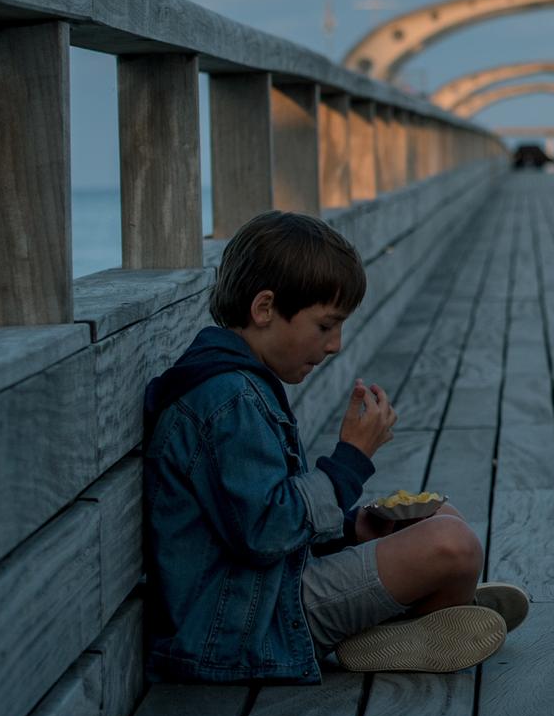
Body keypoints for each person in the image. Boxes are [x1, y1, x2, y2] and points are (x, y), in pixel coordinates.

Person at [143, 210, 530, 677]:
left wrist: (351, 528)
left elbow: (259, 516)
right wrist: (349, 461)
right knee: (454, 546)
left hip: (267, 596)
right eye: (325, 326)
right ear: (264, 309)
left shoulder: (238, 384)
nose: (335, 345)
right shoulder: (228, 399)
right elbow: (266, 531)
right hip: (248, 628)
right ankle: (420, 618)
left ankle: (423, 617)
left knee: (441, 517)